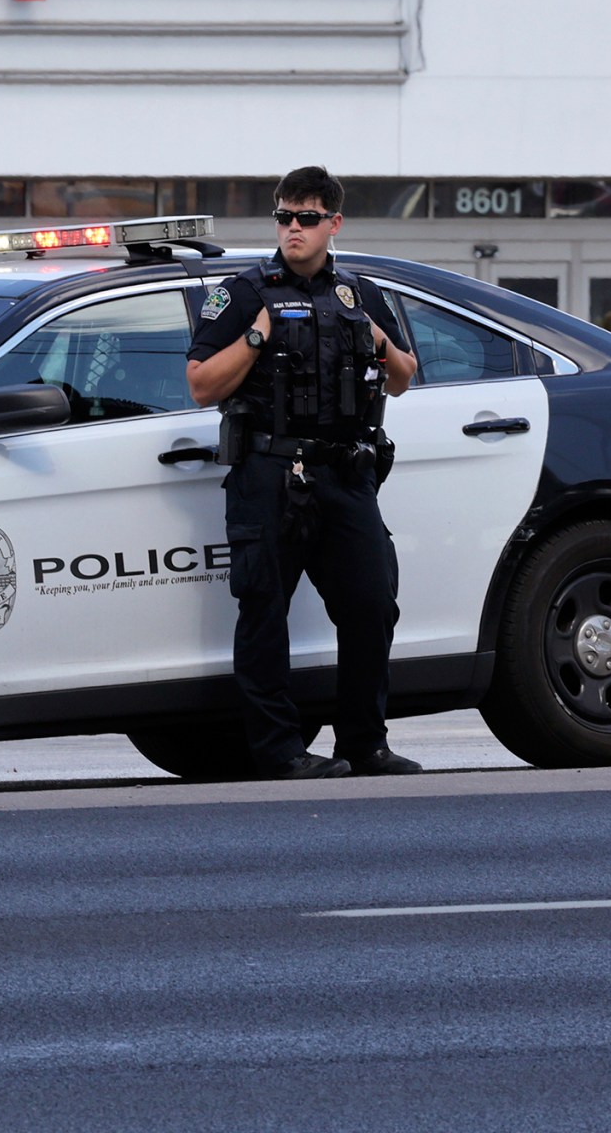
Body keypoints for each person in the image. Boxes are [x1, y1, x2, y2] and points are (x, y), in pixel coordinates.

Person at [186, 165, 421, 780]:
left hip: (345, 473)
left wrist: (376, 338)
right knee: (265, 611)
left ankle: (365, 743)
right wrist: (257, 339)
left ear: (333, 224)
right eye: (284, 217)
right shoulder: (241, 293)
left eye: (307, 219)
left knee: (373, 605)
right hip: (269, 472)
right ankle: (279, 750)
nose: (293, 228)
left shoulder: (359, 294)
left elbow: (403, 376)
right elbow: (201, 385)